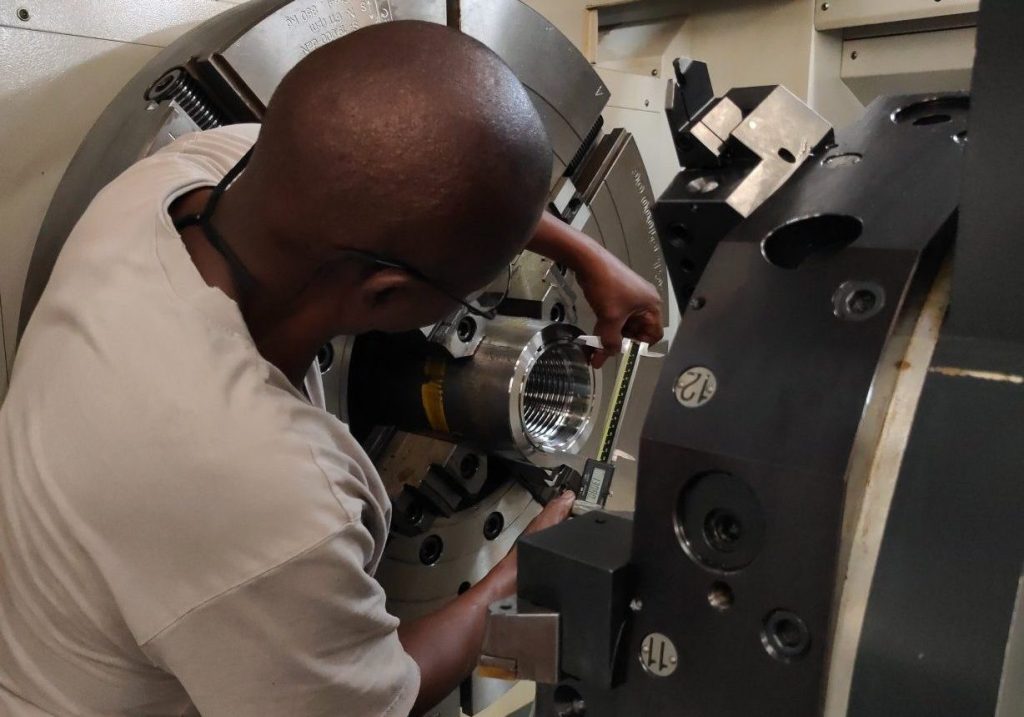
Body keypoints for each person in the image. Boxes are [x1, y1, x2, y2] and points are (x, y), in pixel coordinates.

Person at [0, 20, 662, 717]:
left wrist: (587, 255)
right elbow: (387, 698)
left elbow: (414, 179)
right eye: (473, 291)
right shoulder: (267, 495)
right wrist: (517, 573)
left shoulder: (180, 178)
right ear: (385, 296)